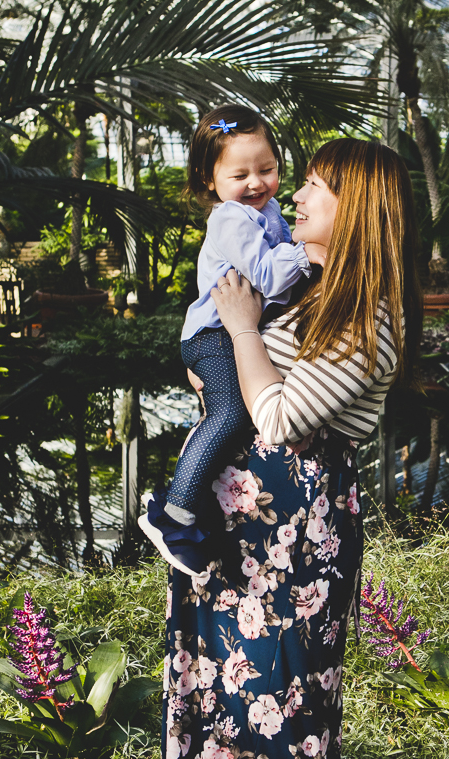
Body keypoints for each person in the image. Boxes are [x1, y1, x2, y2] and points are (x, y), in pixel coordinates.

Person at [153, 137, 423, 759]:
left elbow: (274, 415)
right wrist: (233, 340)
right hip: (237, 538)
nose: (293, 193)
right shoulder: (299, 291)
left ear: (359, 210)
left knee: (281, 731)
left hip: (294, 548)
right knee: (214, 720)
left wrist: (239, 331)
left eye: (313, 185)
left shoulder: (367, 315)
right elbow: (227, 383)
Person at [139, 104, 312, 575]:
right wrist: (312, 251)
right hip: (213, 334)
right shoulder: (231, 219)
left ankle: (208, 511)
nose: (257, 183)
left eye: (268, 169)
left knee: (238, 419)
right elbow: (271, 279)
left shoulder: (270, 210)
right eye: (241, 174)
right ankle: (173, 512)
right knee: (233, 412)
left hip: (232, 332)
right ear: (208, 179)